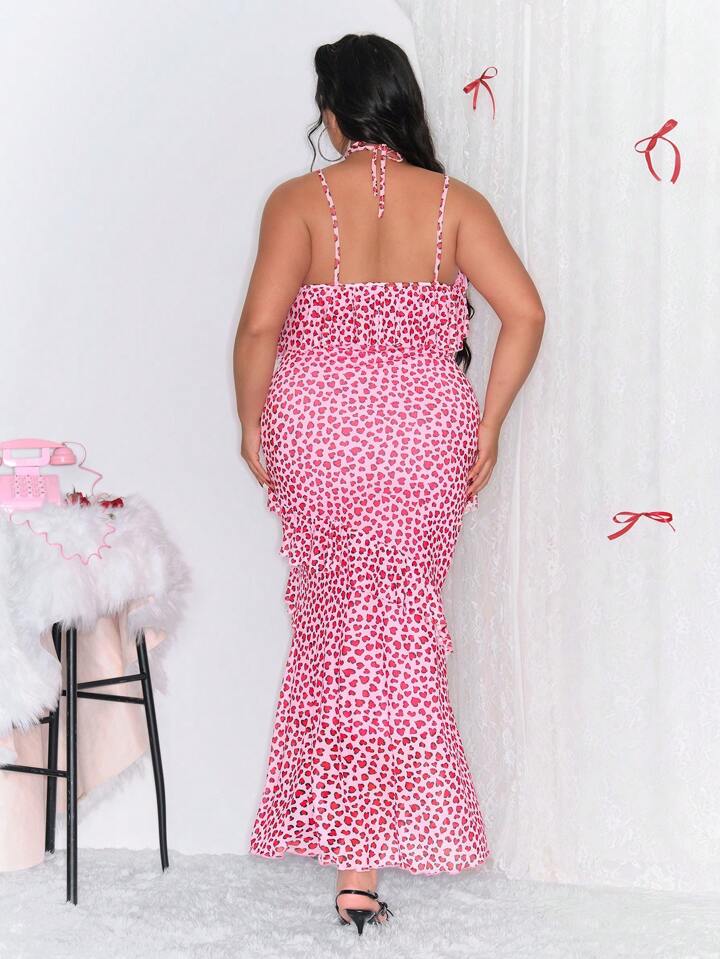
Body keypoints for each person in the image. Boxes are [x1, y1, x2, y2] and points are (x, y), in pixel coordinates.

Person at [233, 33, 544, 935]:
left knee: (338, 627)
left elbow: (259, 330)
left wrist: (252, 424)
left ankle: (352, 857)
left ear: (334, 112)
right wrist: (487, 425)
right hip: (423, 437)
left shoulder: (297, 201)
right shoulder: (456, 203)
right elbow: (525, 314)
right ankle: (367, 861)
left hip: (319, 431)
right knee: (399, 628)